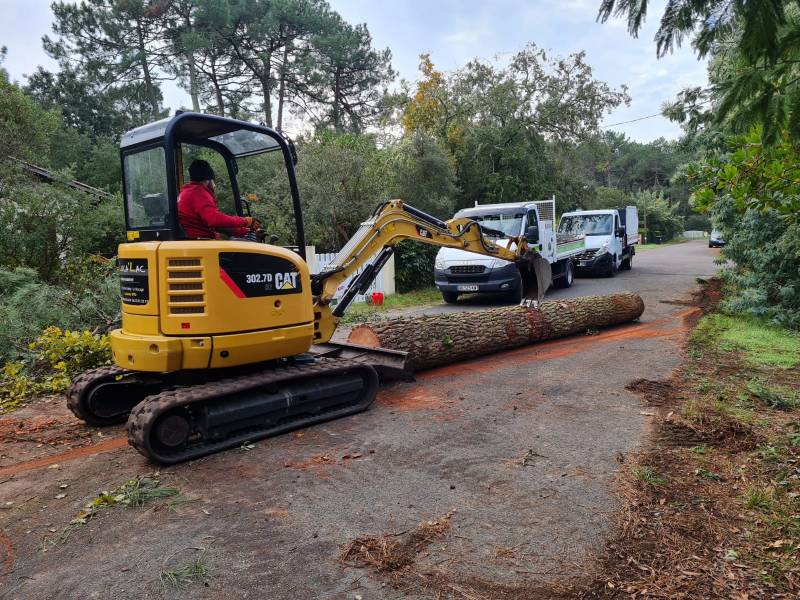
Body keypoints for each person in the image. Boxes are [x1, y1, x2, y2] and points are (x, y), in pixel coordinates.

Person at [178, 159, 260, 239]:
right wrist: (245, 221)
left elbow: (218, 226)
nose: (214, 185)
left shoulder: (187, 192)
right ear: (208, 178)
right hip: (201, 241)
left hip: (196, 239)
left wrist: (244, 231)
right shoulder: (198, 193)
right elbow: (215, 219)